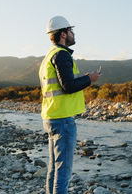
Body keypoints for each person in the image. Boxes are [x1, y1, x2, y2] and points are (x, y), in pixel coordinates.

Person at [38, 16, 100, 194]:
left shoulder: (48, 56)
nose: (74, 34)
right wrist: (90, 79)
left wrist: (84, 78)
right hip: (62, 119)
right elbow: (68, 86)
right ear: (63, 33)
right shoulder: (62, 55)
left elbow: (63, 83)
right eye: (71, 31)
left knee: (54, 169)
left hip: (51, 117)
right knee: (63, 172)